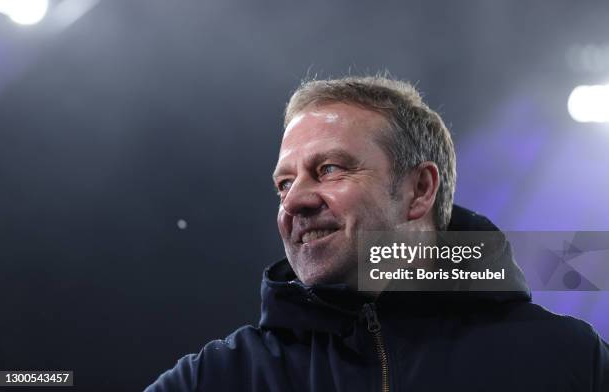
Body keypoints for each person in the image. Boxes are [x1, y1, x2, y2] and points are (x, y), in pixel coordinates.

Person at [145, 76, 609, 391]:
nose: (294, 202)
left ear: (419, 190)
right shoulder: (222, 376)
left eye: (329, 169)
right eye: (284, 183)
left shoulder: (566, 362)